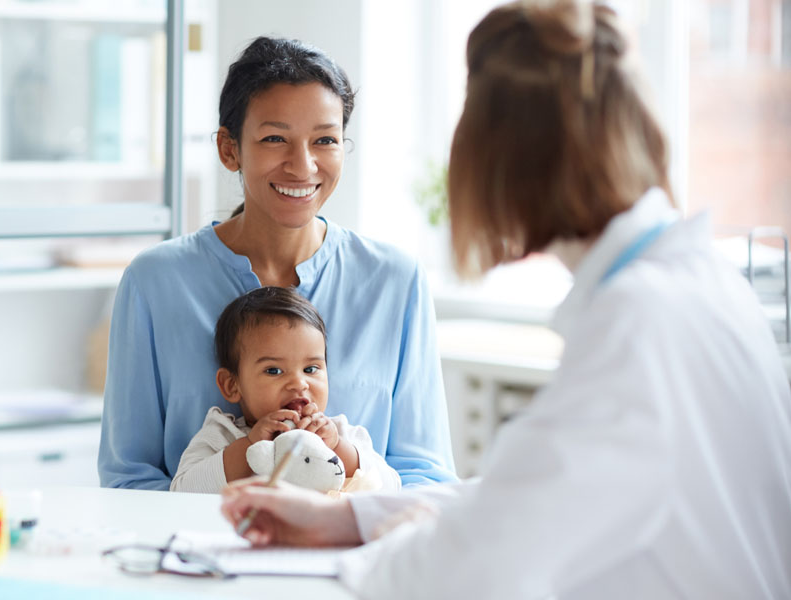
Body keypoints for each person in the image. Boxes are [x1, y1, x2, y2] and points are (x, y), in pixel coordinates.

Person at [220, 2, 791, 598]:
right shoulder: (693, 284)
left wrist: (354, 562)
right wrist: (349, 519)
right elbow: (524, 494)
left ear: (506, 159)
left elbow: (485, 563)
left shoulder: (641, 323)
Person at [98, 36, 458, 490]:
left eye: (325, 140)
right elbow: (128, 481)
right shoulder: (154, 282)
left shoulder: (396, 281)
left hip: (353, 554)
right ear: (229, 150)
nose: (303, 165)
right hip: (199, 555)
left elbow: (427, 478)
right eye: (274, 139)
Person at [170, 286, 401, 493]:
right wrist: (249, 446)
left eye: (311, 369)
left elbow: (391, 486)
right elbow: (181, 491)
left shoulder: (341, 432)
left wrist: (338, 448)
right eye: (274, 371)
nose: (299, 383)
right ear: (232, 385)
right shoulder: (222, 434)